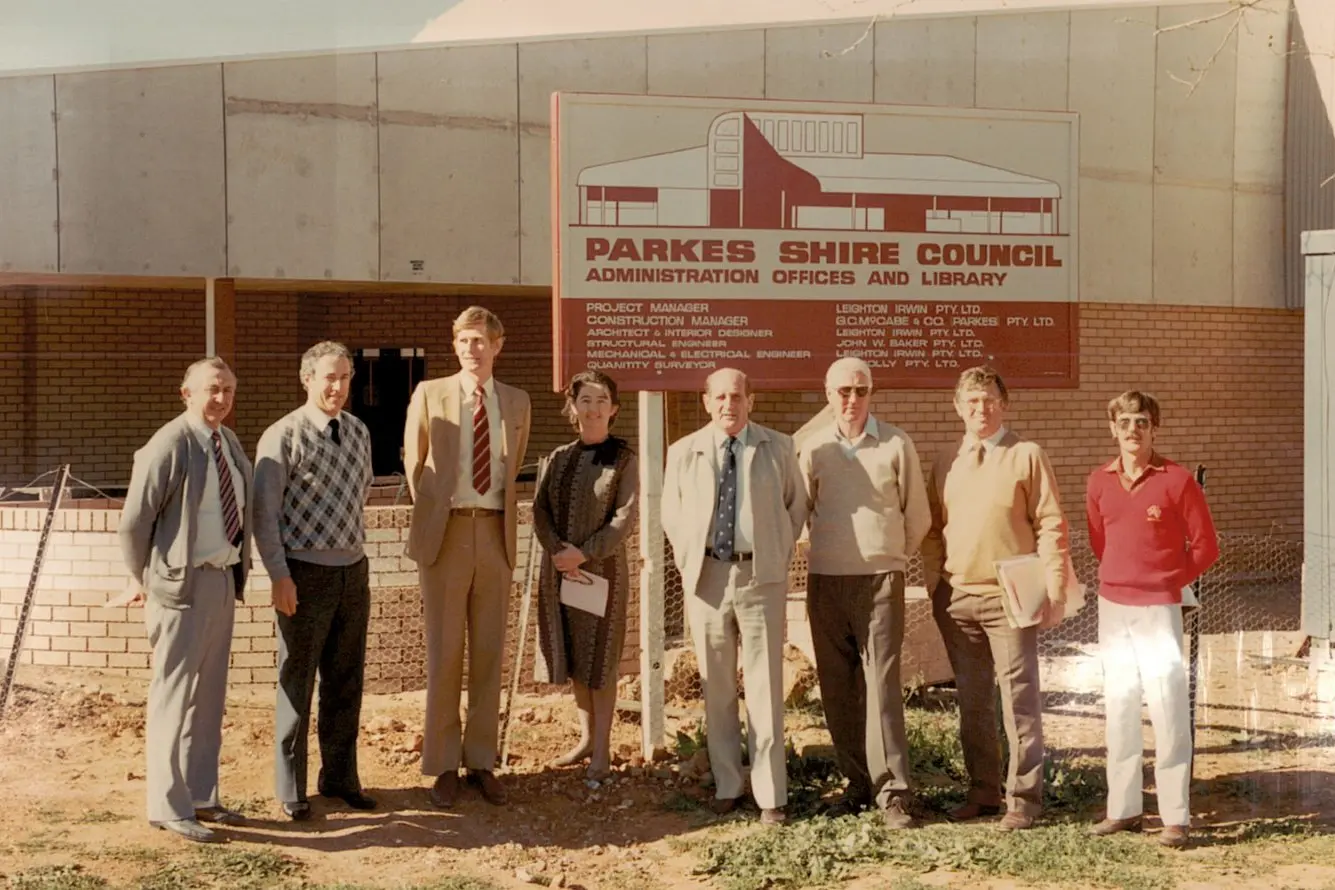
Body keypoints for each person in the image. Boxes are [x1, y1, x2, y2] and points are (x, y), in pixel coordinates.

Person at [920, 365, 1069, 831]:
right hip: (958, 599)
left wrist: (1056, 586)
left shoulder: (1026, 455)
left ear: (1003, 403)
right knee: (973, 701)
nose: (980, 409)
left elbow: (1050, 523)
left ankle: (1023, 800)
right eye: (971, 401)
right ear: (957, 407)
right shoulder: (946, 459)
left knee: (1019, 701)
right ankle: (983, 792)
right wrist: (934, 584)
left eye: (988, 400)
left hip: (1010, 600)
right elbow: (932, 529)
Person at [661, 368, 807, 825]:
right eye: (720, 396)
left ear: (751, 400)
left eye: (737, 396)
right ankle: (727, 783)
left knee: (764, 687)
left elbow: (795, 506)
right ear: (707, 402)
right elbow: (671, 513)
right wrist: (692, 561)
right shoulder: (684, 452)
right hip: (707, 578)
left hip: (758, 577)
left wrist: (776, 554)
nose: (729, 404)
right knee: (716, 687)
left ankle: (770, 795)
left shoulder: (778, 447)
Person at [118, 357, 252, 843]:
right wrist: (145, 578)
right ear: (187, 393)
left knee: (208, 699)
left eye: (229, 390)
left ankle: (201, 795)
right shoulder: (170, 444)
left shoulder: (227, 441)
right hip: (179, 588)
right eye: (212, 389)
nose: (221, 398)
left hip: (220, 581)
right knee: (173, 698)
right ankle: (168, 805)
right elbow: (135, 523)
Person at [404, 306, 532, 808]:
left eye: (480, 341)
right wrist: (436, 515)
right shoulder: (430, 393)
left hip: (495, 534)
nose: (471, 349)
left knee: (488, 653)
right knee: (444, 653)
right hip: (447, 534)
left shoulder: (517, 401)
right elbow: (414, 463)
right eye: (463, 341)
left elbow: (513, 465)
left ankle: (481, 761)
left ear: (497, 345)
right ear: (454, 345)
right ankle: (442, 764)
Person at [798, 357, 930, 828]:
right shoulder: (813, 450)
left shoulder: (896, 443)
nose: (852, 400)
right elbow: (799, 512)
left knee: (882, 687)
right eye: (843, 392)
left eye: (861, 390)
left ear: (872, 392)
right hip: (827, 582)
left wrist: (888, 554)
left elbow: (917, 515)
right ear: (828, 394)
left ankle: (892, 790)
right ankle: (855, 783)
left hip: (879, 581)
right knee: (838, 687)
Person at [1085, 391, 1218, 849]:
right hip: (1113, 606)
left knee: (1167, 707)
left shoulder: (1178, 480)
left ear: (1154, 427)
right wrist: (1125, 579)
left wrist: (1165, 581)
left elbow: (1205, 548)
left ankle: (1175, 817)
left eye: (1141, 421)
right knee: (1120, 705)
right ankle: (1122, 810)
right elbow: (1099, 541)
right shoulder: (1098, 481)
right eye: (1124, 421)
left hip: (1160, 609)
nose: (1132, 430)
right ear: (1113, 428)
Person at [254, 341, 376, 821]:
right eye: (328, 377)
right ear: (307, 379)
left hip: (352, 573)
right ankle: (290, 786)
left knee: (346, 681)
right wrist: (280, 575)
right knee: (297, 682)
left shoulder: (359, 432)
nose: (337, 387)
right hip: (303, 577)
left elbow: (358, 494)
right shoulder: (282, 435)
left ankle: (340, 777)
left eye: (345, 377)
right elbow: (264, 516)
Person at [532, 370, 639, 780]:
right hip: (561, 572)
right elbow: (540, 510)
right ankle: (585, 738)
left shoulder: (625, 460)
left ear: (613, 408)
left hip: (602, 574)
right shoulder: (558, 458)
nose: (592, 408)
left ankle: (603, 750)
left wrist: (584, 553)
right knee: (575, 657)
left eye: (601, 400)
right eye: (585, 400)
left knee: (600, 660)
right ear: (572, 408)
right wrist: (559, 552)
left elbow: (624, 518)